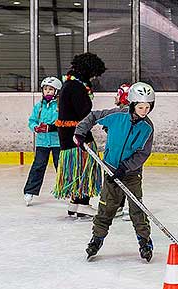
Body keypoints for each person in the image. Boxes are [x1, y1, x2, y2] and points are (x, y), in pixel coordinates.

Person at [73, 82, 155, 261]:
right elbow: (93, 116)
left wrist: (125, 167)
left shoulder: (147, 128)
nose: (144, 111)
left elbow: (143, 153)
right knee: (106, 207)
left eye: (148, 107)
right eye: (140, 107)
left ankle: (144, 241)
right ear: (132, 104)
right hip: (109, 169)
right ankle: (97, 239)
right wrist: (80, 132)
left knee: (136, 209)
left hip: (131, 174)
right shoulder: (117, 115)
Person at [53, 52, 106, 218]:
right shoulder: (77, 87)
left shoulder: (69, 84)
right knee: (85, 166)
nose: (95, 77)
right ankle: (83, 203)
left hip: (67, 134)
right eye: (94, 73)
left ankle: (74, 204)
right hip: (77, 133)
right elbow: (84, 111)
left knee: (76, 168)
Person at [23, 77, 62, 206]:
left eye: (50, 89)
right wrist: (35, 127)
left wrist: (51, 127)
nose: (47, 92)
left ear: (56, 91)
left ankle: (67, 190)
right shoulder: (39, 106)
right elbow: (32, 121)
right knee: (38, 166)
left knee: (61, 166)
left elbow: (64, 123)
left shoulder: (60, 106)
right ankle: (30, 191)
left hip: (57, 142)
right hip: (42, 142)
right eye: (45, 89)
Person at [112, 83, 131, 221]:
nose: (116, 97)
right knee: (119, 179)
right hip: (120, 152)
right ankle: (119, 206)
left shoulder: (126, 112)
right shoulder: (121, 111)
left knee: (129, 180)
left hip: (127, 154)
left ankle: (133, 208)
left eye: (119, 94)